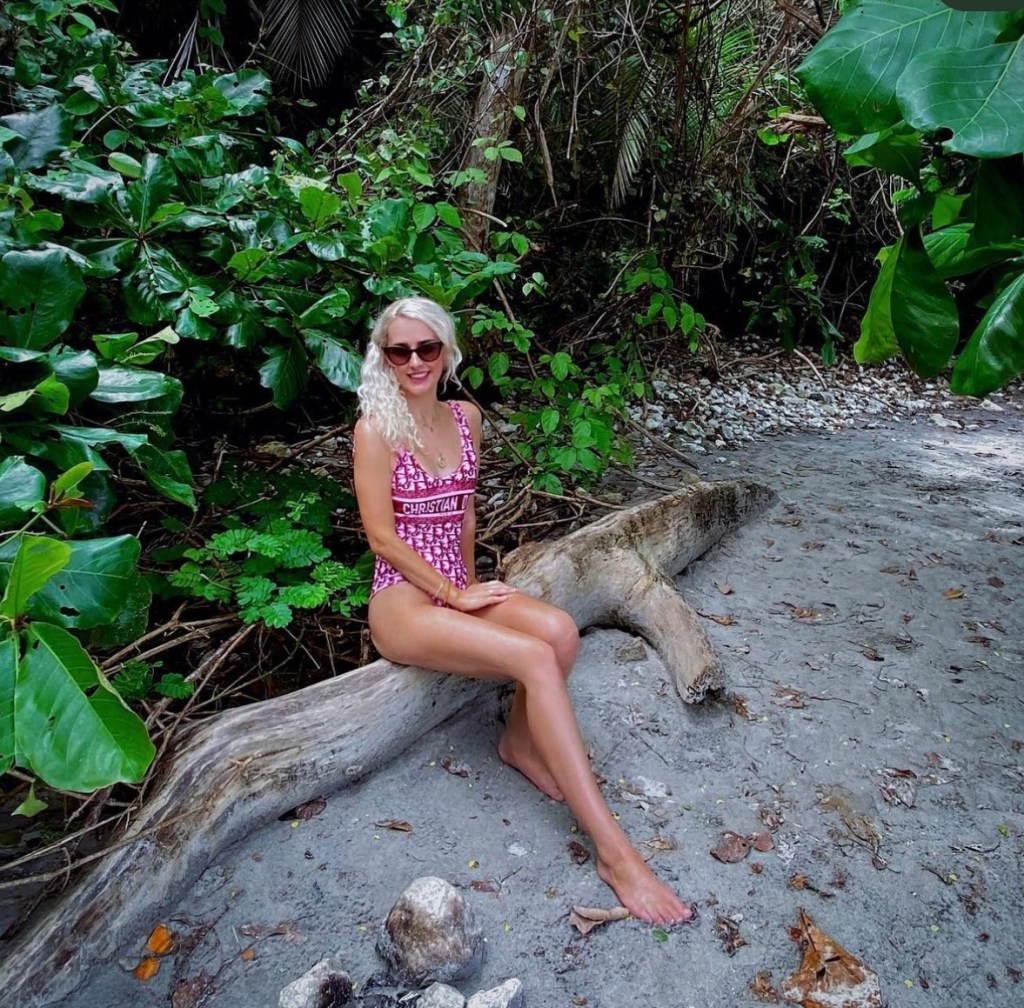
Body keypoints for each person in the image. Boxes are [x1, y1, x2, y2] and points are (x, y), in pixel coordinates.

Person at [353, 296, 692, 925]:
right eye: (399, 351)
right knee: (535, 656)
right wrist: (453, 595)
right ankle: (614, 851)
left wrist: (468, 584)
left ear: (447, 351)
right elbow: (382, 538)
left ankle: (517, 740)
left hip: (454, 584)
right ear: (384, 357)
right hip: (402, 598)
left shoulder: (466, 418)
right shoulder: (376, 429)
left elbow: (465, 513)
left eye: (427, 347)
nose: (414, 361)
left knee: (560, 632)